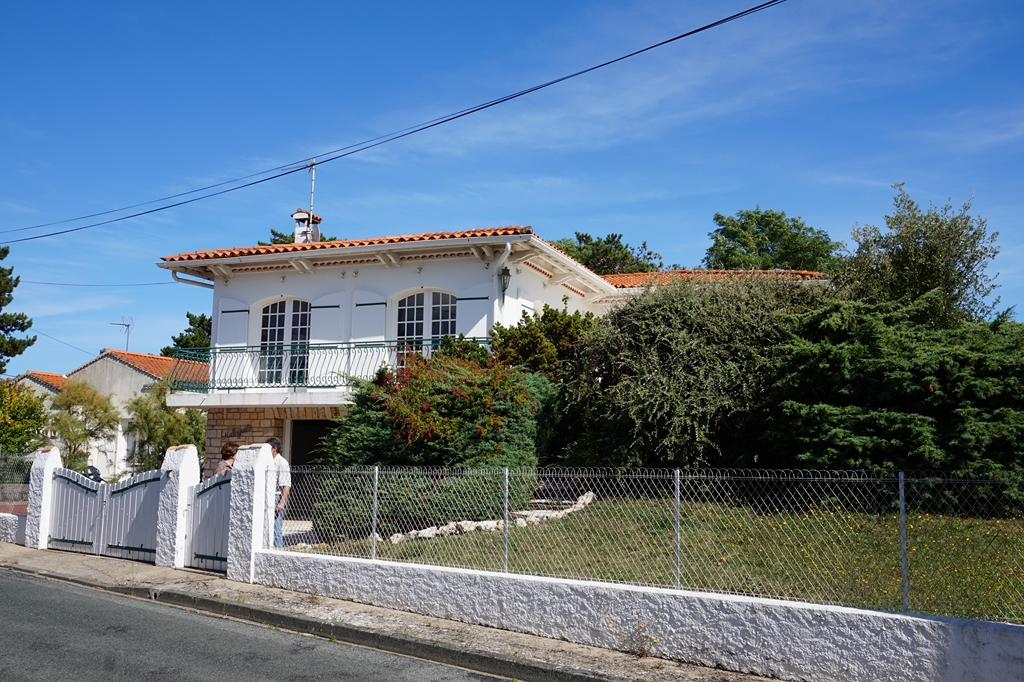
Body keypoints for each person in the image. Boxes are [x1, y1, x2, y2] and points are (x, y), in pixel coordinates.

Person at [266, 437, 291, 548]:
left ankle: (278, 548)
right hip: (269, 496)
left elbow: (287, 485)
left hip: (277, 497)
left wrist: (281, 502)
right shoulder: (269, 462)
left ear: (274, 448)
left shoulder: (282, 462)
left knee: (276, 527)